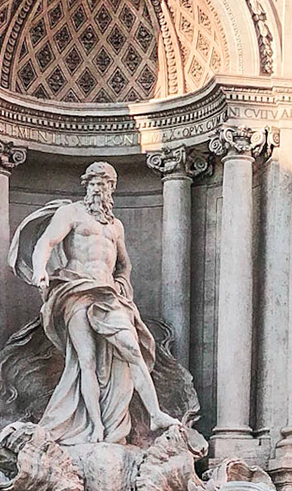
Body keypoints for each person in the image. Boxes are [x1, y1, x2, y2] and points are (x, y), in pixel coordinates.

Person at [26, 162, 178, 445]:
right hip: (75, 289)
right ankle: (95, 427)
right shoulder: (71, 213)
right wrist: (40, 269)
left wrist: (122, 283)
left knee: (133, 349)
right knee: (87, 361)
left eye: (104, 184)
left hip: (108, 294)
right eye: (94, 183)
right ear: (87, 186)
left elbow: (124, 264)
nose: (99, 188)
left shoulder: (115, 226)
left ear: (112, 189)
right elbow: (46, 243)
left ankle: (155, 413)